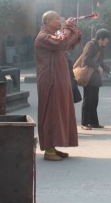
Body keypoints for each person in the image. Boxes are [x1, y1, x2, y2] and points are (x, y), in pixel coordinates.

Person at [34, 11, 82, 161]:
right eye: (57, 19)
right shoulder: (43, 37)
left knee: (59, 111)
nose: (60, 22)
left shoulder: (51, 35)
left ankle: (53, 146)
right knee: (51, 112)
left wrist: (71, 27)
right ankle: (49, 150)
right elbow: (62, 42)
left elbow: (68, 42)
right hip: (50, 81)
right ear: (48, 21)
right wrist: (68, 26)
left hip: (57, 80)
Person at [79, 28, 111, 130]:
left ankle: (93, 122)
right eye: (106, 39)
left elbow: (101, 63)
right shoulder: (91, 45)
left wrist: (110, 69)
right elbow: (86, 59)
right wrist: (97, 67)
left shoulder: (100, 47)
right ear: (100, 38)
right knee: (88, 100)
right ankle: (84, 123)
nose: (107, 41)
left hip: (95, 78)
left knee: (94, 100)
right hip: (89, 77)